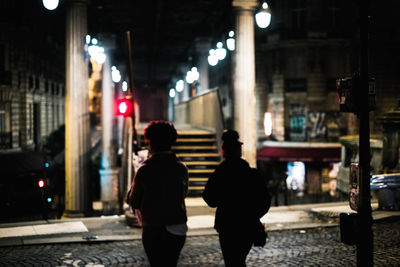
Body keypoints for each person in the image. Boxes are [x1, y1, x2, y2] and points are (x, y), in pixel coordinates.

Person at [202, 130, 270, 267]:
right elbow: (265, 201)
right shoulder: (251, 174)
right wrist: (252, 215)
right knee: (239, 260)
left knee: (232, 261)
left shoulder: (219, 174)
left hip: (227, 225)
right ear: (239, 150)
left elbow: (209, 199)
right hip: (247, 225)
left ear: (224, 151)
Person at [129, 121, 188, 267]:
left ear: (150, 142)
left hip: (154, 226)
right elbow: (183, 194)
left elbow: (134, 201)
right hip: (178, 226)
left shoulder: (145, 170)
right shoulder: (181, 168)